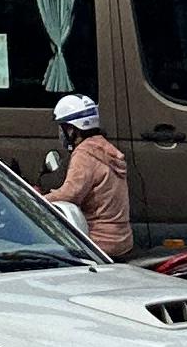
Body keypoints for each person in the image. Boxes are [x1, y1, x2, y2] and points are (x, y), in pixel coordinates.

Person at [49, 94, 132, 256]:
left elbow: (70, 194)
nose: (60, 134)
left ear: (72, 129)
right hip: (122, 239)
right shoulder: (104, 148)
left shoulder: (85, 154)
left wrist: (35, 199)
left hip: (99, 242)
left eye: (62, 128)